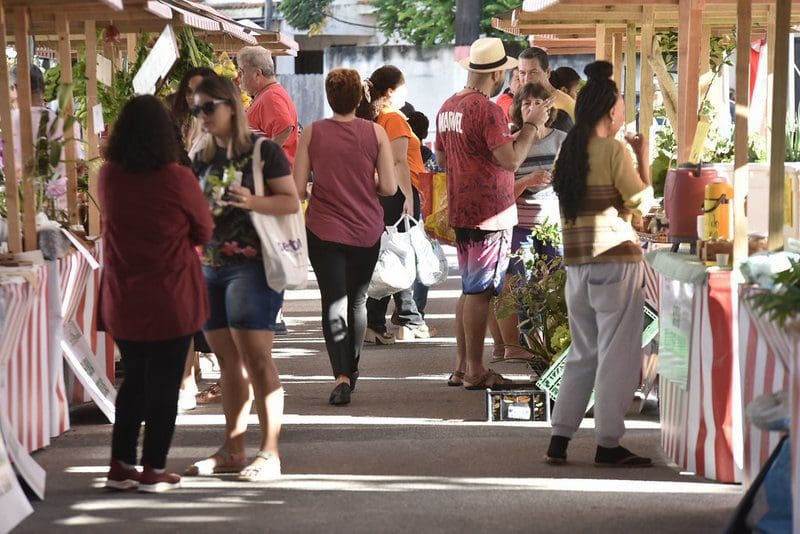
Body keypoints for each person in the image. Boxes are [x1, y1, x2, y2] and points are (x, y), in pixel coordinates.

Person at [186, 76, 300, 481]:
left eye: (207, 108)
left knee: (257, 357)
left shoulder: (262, 151)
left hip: (253, 266)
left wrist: (252, 201)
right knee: (226, 361)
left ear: (230, 106)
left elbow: (290, 201)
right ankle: (233, 449)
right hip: (210, 265)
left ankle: (269, 453)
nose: (201, 117)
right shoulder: (201, 154)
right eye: (195, 110)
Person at [99, 95, 214, 493]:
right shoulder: (177, 178)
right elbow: (203, 229)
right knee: (165, 384)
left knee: (135, 382)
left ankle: (120, 463)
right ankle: (153, 467)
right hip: (171, 295)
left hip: (125, 294)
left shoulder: (108, 176)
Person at [547, 61, 654, 467]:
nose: (624, 113)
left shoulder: (568, 150)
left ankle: (559, 439)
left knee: (583, 351)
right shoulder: (614, 149)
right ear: (611, 112)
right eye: (623, 107)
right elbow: (640, 200)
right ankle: (608, 441)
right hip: (614, 258)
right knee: (618, 353)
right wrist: (643, 156)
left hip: (577, 263)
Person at [435, 37, 551, 389]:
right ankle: (474, 370)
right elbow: (511, 159)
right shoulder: (486, 110)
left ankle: (461, 366)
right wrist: (530, 124)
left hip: (462, 208)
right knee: (481, 292)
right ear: (497, 74)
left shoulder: (448, 106)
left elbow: (441, 158)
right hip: (489, 211)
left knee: (470, 290)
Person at [295, 68, 397, 405]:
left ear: (328, 97)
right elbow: (389, 187)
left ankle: (339, 375)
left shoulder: (312, 132)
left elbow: (296, 189)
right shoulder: (375, 134)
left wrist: (318, 184)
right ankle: (350, 373)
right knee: (356, 300)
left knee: (332, 300)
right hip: (366, 229)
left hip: (322, 228)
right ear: (360, 98)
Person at [357, 65, 434, 343]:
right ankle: (392, 321)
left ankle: (397, 319)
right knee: (398, 255)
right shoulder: (394, 118)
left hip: (382, 192)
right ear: (390, 92)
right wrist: (410, 198)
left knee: (393, 254)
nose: (407, 93)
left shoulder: (374, 116)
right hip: (399, 193)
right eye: (404, 87)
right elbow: (399, 161)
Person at [166, 67, 219, 413]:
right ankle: (188, 379)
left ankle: (214, 376)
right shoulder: (186, 124)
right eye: (188, 92)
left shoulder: (216, 136)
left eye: (198, 92)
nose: (191, 99)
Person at [238, 45, 299, 166]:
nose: (240, 78)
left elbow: (285, 126)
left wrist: (264, 160)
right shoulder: (268, 94)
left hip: (274, 176)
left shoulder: (271, 96)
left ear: (257, 74)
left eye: (242, 72)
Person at [517, 47, 575, 132]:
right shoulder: (521, 99)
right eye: (522, 73)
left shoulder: (564, 105)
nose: (526, 78)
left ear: (547, 72)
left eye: (533, 72)